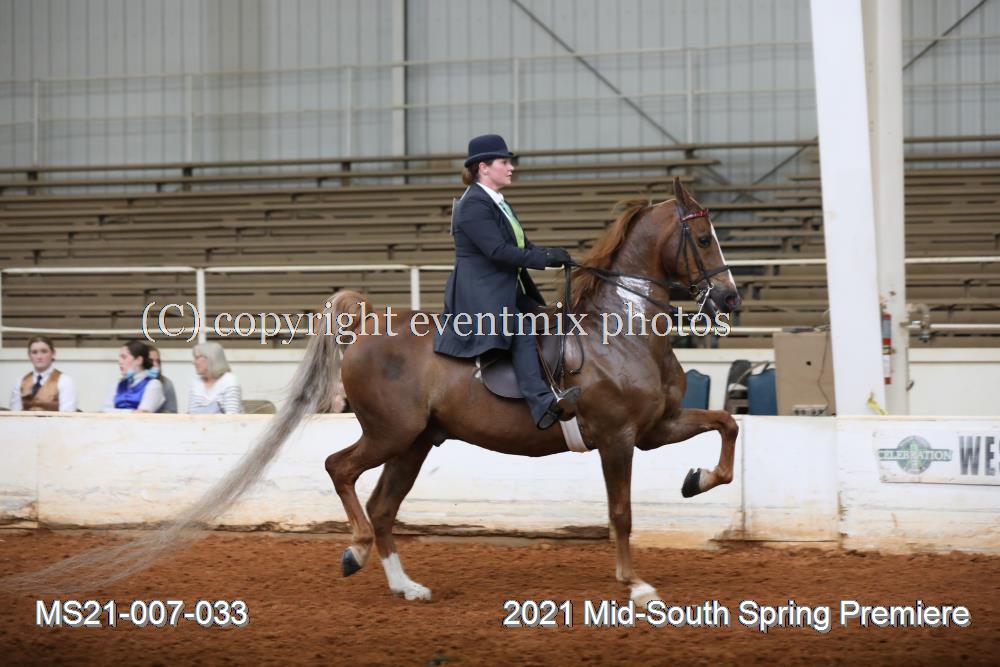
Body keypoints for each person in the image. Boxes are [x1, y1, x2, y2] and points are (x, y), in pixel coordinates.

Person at [433, 134, 580, 430]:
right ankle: (541, 403)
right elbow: (497, 251)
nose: (511, 167)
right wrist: (545, 258)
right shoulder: (473, 205)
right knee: (521, 328)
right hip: (480, 295)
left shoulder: (498, 203)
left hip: (508, 290)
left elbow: (522, 246)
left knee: (556, 319)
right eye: (505, 162)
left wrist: (553, 255)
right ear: (483, 167)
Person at [8, 336, 77, 411]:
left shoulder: (64, 380)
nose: (39, 356)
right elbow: (14, 412)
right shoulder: (20, 381)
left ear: (53, 353)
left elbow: (67, 413)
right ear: (29, 355)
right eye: (34, 352)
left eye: (44, 351)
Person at [103, 339, 165, 413]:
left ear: (138, 360)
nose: (120, 361)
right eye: (120, 357)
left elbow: (142, 413)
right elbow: (105, 411)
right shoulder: (117, 384)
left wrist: (116, 412)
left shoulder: (153, 384)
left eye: (124, 357)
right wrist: (131, 412)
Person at [188, 342, 243, 414]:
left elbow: (232, 416)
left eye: (197, 358)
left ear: (211, 358)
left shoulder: (229, 380)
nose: (193, 362)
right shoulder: (196, 383)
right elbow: (191, 415)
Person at [147, 345, 178, 414]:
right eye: (151, 361)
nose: (155, 365)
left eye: (157, 361)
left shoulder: (167, 384)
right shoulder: (134, 382)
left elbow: (172, 412)